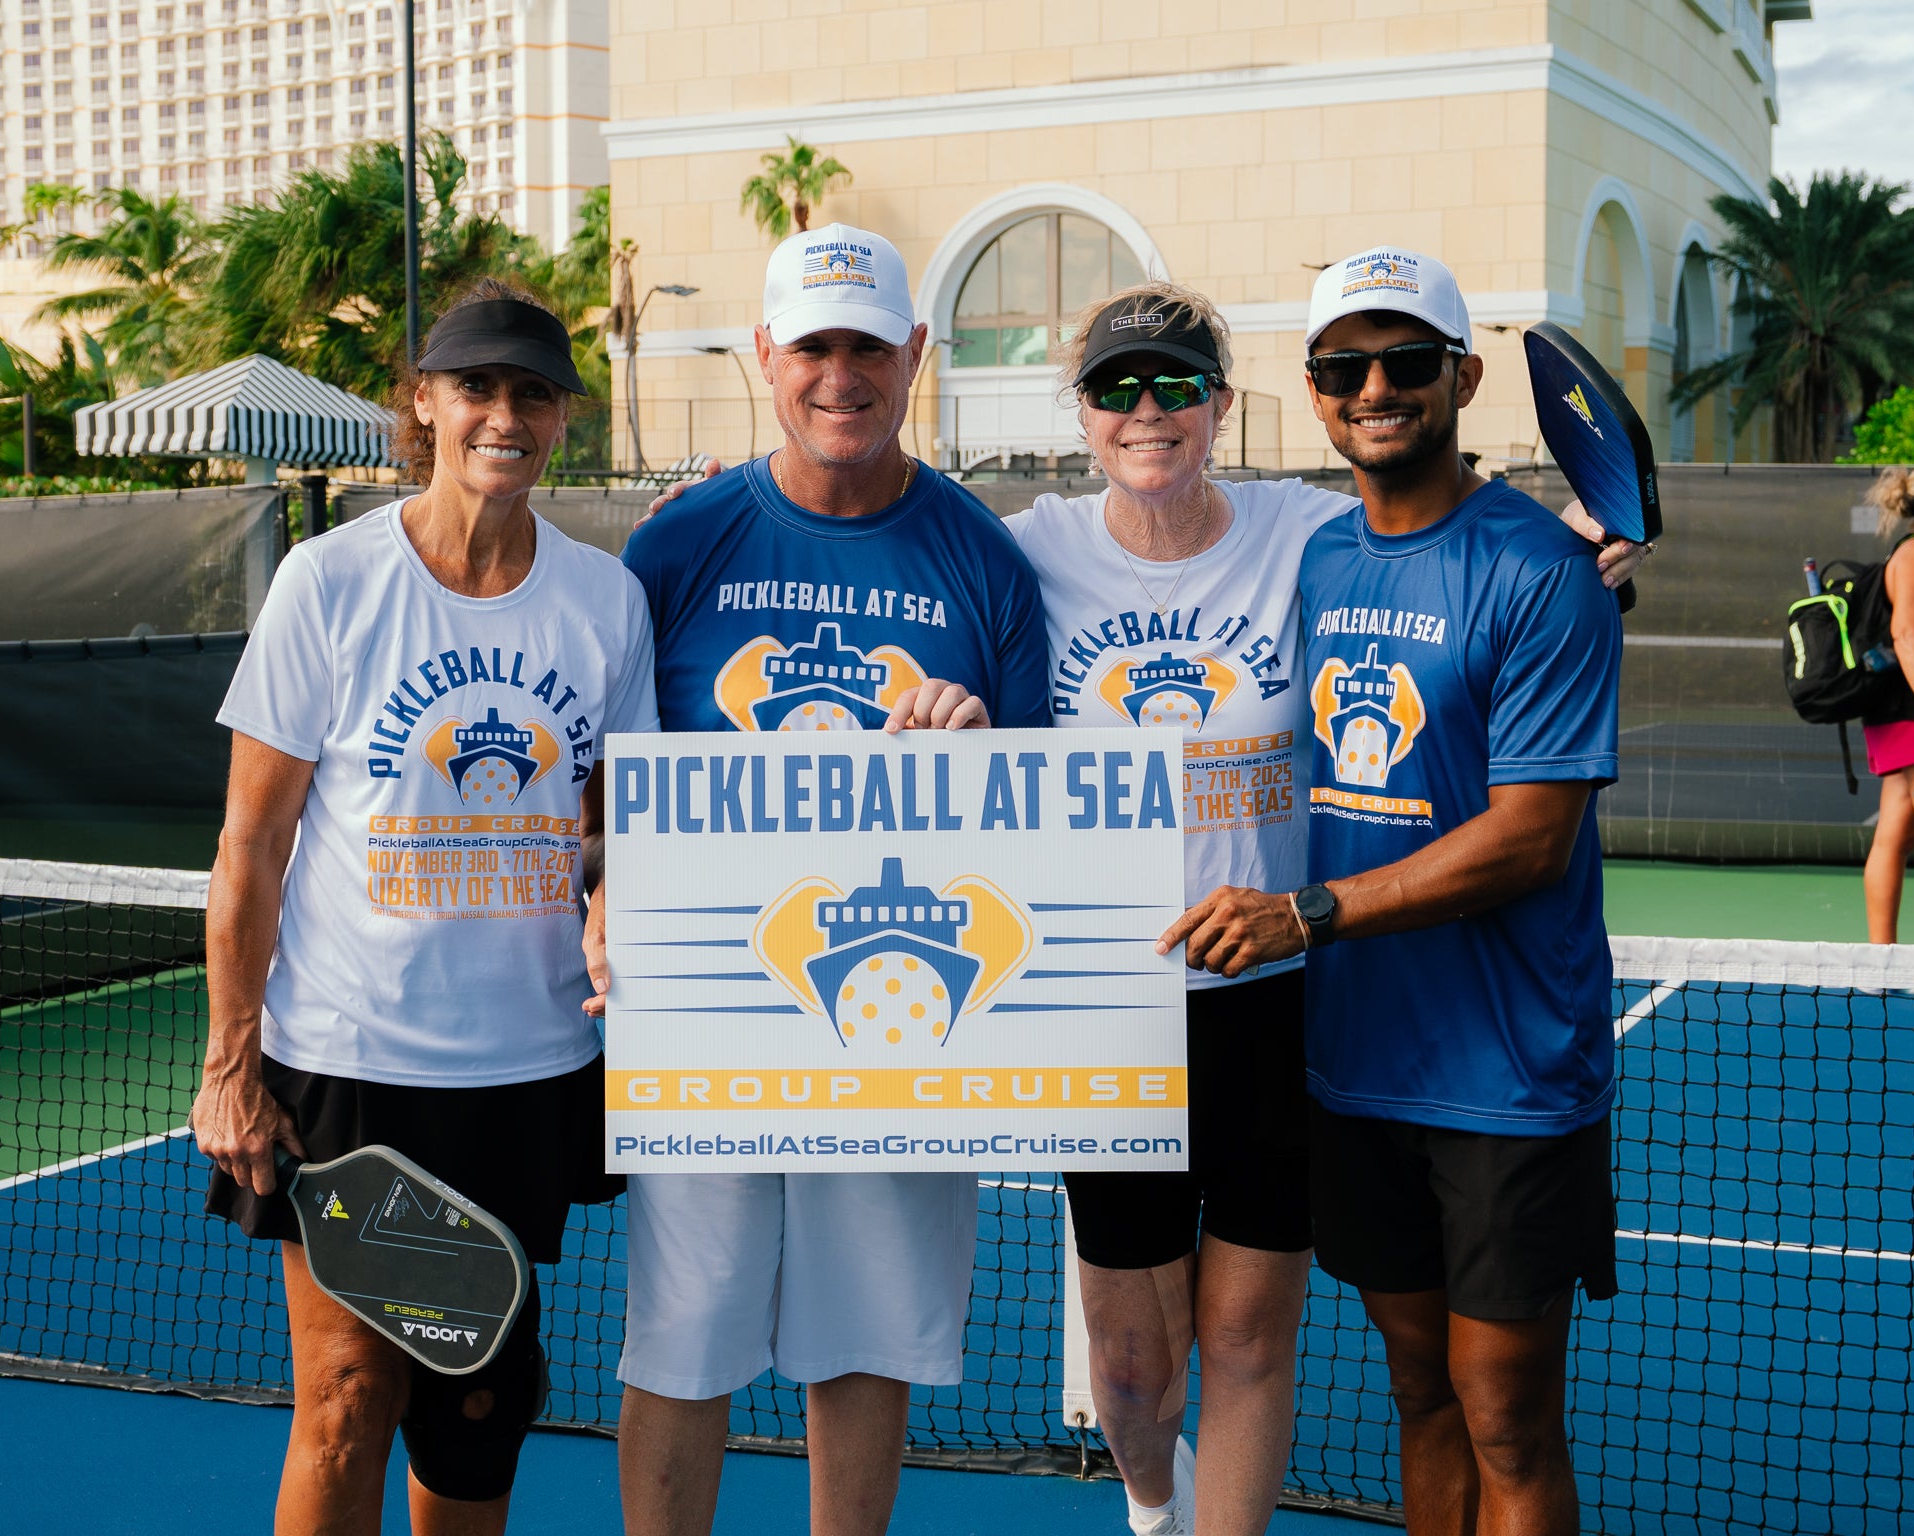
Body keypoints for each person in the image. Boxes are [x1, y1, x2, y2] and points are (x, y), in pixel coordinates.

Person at [643, 276, 1644, 1536]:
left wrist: (1567, 554)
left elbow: (1431, 560)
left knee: (1244, 1338)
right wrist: (732, 496)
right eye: (1118, 387)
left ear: (1221, 403)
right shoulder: (1028, 550)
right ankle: (1151, 1504)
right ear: (1082, 412)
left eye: (1176, 383)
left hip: (1277, 1002)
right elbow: (907, 612)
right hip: (1106, 1014)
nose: (1148, 409)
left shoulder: (1304, 536)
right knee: (1128, 1368)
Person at [586, 221, 1050, 1536]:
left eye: (865, 348)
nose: (837, 374)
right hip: (703, 1009)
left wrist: (980, 752)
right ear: (764, 358)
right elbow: (610, 766)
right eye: (811, 348)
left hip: (900, 1007)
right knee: (684, 1339)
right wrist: (607, 882)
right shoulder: (676, 550)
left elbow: (1040, 821)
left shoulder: (982, 556)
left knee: (864, 1341)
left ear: (914, 355)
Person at [1164, 246, 1627, 1536]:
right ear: (1313, 394)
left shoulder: (1536, 574)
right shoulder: (1321, 561)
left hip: (1506, 1075)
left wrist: (1305, 916)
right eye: (1342, 366)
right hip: (1358, 1065)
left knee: (1505, 1421)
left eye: (1406, 359)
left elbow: (1529, 840)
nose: (1375, 386)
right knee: (1417, 1396)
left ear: (1462, 377)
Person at [190, 279, 658, 1536]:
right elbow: (251, 845)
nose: (503, 414)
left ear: (562, 417)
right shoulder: (327, 583)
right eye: (477, 388)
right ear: (425, 403)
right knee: (345, 1394)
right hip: (349, 1068)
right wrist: (232, 1063)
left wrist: (613, 895)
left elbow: (619, 824)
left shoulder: (605, 603)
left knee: (478, 1405)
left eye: (532, 392)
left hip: (530, 1072)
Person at [1859, 461, 1914, 942]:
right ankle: (1880, 959)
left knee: (1897, 832)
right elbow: (1907, 634)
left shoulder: (1913, 551)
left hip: (1902, 714)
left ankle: (1879, 962)